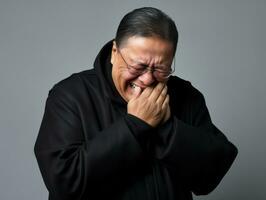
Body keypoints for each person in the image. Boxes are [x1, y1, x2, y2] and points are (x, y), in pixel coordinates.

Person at [34, 7, 238, 200]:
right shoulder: (70, 96)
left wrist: (167, 128)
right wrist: (136, 125)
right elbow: (64, 183)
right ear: (115, 52)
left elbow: (210, 178)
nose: (148, 79)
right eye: (138, 66)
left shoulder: (187, 96)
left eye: (161, 69)